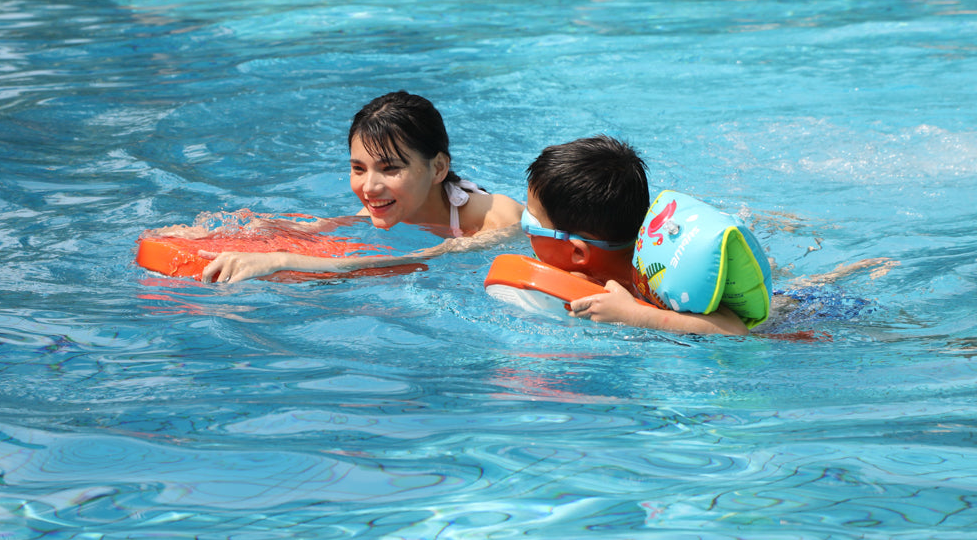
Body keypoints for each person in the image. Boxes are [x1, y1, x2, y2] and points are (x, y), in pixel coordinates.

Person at [198, 91, 523, 283]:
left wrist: (282, 261)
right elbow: (309, 231)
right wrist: (211, 235)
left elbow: (420, 259)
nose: (369, 187)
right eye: (358, 168)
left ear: (437, 168)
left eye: (389, 168)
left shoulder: (499, 220)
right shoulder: (385, 206)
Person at [524, 136, 748, 336]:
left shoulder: (663, 281)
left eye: (530, 225)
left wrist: (634, 315)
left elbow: (736, 330)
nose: (525, 233)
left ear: (577, 251)